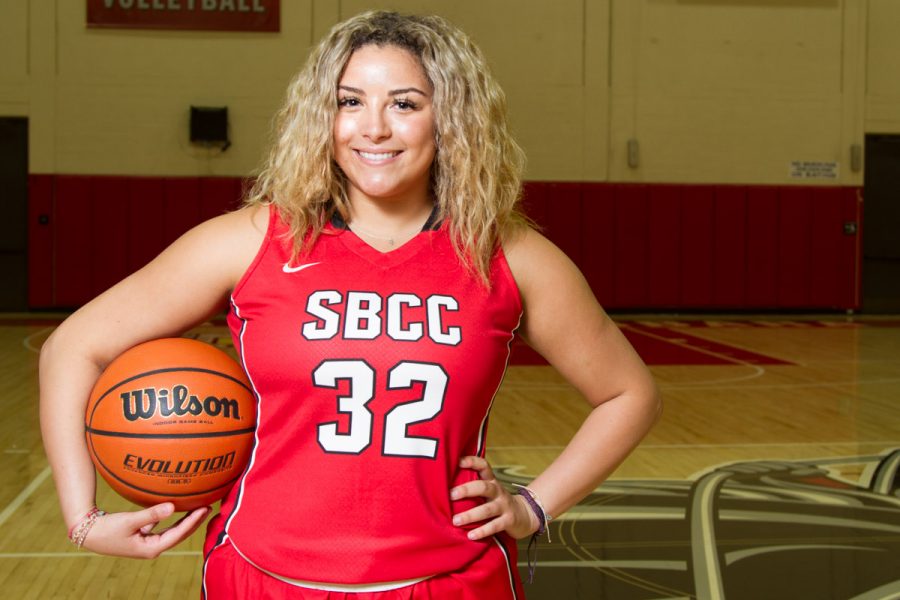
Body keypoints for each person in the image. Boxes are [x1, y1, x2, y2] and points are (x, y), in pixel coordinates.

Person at [40, 10, 660, 599]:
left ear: (452, 118)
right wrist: (83, 519)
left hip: (449, 580)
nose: (374, 128)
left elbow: (628, 394)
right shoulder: (250, 241)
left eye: (405, 104)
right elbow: (74, 345)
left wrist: (531, 506)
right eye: (350, 101)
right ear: (323, 116)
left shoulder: (507, 255)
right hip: (262, 576)